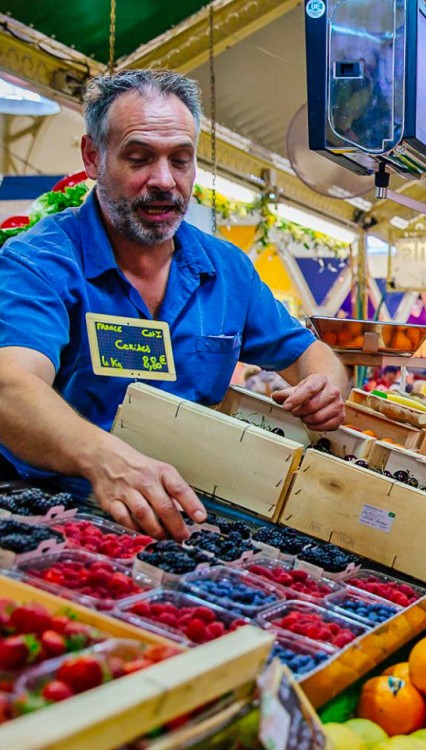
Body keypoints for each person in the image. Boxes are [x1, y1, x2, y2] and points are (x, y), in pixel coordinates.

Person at [0, 70, 346, 541]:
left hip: (189, 515)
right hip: (54, 516)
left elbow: (310, 353)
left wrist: (326, 386)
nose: (164, 181)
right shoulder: (39, 262)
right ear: (92, 156)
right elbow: (12, 387)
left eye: (180, 160)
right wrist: (102, 457)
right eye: (139, 158)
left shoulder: (227, 271)